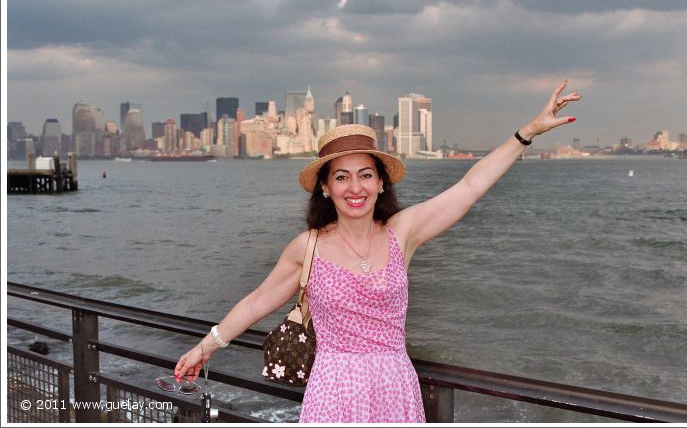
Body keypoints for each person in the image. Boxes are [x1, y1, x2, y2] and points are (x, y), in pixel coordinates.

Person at [174, 80, 581, 422]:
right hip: (333, 393)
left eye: (366, 175)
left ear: (381, 183)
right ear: (325, 186)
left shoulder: (402, 233)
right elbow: (256, 302)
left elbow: (469, 188)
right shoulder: (308, 247)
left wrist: (527, 131)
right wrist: (204, 347)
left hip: (395, 389)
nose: (356, 187)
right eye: (343, 177)